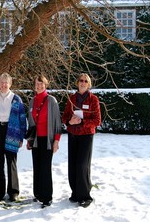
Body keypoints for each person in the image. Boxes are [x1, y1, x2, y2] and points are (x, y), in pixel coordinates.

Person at [62, 73, 101, 208]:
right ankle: (75, 193)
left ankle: (85, 196)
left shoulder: (93, 99)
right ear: (77, 83)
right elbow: (64, 116)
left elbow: (97, 121)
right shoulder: (72, 98)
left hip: (86, 136)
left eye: (86, 81)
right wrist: (69, 121)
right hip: (73, 135)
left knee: (82, 165)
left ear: (89, 84)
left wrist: (82, 121)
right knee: (72, 165)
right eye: (81, 81)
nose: (83, 83)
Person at [0, 73, 26, 202]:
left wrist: (21, 137)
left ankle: (13, 192)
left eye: (6, 82)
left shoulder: (16, 99)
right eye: (2, 82)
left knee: (11, 163)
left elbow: (22, 119)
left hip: (11, 132)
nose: (4, 85)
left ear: (10, 84)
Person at [26, 75, 62, 208]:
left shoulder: (51, 101)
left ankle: (47, 197)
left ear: (45, 85)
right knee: (36, 166)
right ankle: (38, 193)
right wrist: (29, 140)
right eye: (37, 84)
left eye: (41, 84)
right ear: (34, 85)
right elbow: (30, 123)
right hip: (35, 139)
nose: (39, 86)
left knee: (45, 167)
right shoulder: (32, 101)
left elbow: (58, 123)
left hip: (47, 139)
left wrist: (56, 141)